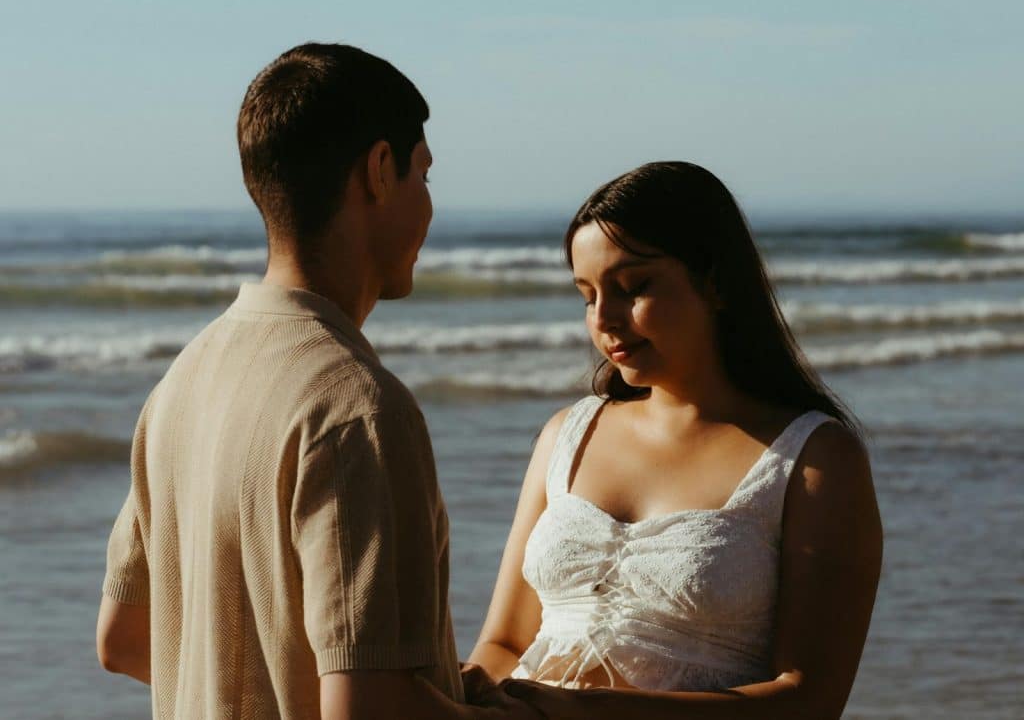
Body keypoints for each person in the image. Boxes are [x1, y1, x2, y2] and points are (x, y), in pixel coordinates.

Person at [96, 42, 537, 720]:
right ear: (379, 171)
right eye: (424, 174)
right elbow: (371, 708)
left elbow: (124, 639)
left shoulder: (181, 384)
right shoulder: (357, 408)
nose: (428, 206)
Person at [468, 162, 883, 719]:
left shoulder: (813, 458)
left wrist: (590, 712)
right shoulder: (566, 435)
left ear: (713, 281)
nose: (605, 319)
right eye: (587, 295)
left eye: (633, 287)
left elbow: (809, 699)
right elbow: (503, 645)